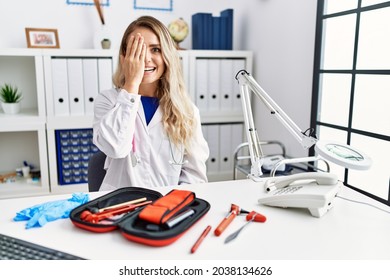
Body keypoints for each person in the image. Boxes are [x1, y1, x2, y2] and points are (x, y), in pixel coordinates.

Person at [93, 16, 210, 191]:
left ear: (167, 56)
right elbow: (114, 147)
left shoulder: (187, 110)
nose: (146, 58)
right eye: (137, 50)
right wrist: (131, 84)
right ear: (124, 57)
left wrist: (174, 204)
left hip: (167, 208)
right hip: (119, 205)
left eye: (155, 49)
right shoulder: (108, 100)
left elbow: (195, 175)